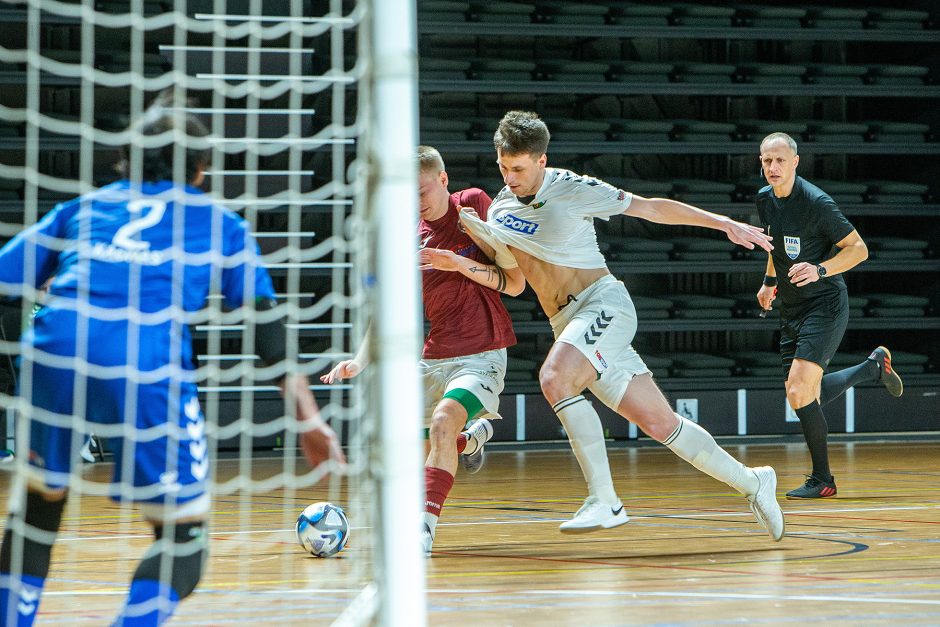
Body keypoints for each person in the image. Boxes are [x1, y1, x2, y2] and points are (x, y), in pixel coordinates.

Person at [0, 101, 344, 626]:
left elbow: (6, 279)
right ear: (200, 168)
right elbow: (265, 324)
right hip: (143, 360)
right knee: (184, 539)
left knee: (38, 511)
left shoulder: (85, 208)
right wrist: (307, 417)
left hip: (53, 348)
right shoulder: (217, 221)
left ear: (126, 159)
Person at [459, 110, 785, 541]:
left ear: (542, 160)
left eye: (518, 168)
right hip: (568, 323)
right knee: (660, 423)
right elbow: (516, 283)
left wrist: (721, 222)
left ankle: (605, 500)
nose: (510, 176)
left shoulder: (572, 188)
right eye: (503, 167)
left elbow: (648, 208)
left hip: (602, 304)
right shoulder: (499, 208)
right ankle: (753, 481)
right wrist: (464, 260)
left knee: (555, 378)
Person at [321, 145, 525, 556]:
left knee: (443, 420)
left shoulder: (472, 205)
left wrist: (458, 263)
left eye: (422, 191)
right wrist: (359, 360)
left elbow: (514, 280)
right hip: (434, 357)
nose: (416, 202)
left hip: (482, 351)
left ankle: (424, 529)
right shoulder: (409, 237)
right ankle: (471, 439)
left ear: (444, 181)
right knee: (424, 442)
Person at [755, 132, 903, 499]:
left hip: (825, 304)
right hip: (791, 307)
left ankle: (823, 480)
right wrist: (769, 281)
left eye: (779, 160)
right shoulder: (765, 200)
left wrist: (820, 269)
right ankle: (873, 367)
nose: (772, 168)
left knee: (799, 389)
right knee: (802, 394)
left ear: (795, 162)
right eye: (766, 161)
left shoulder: (817, 202)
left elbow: (859, 249)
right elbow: (775, 244)